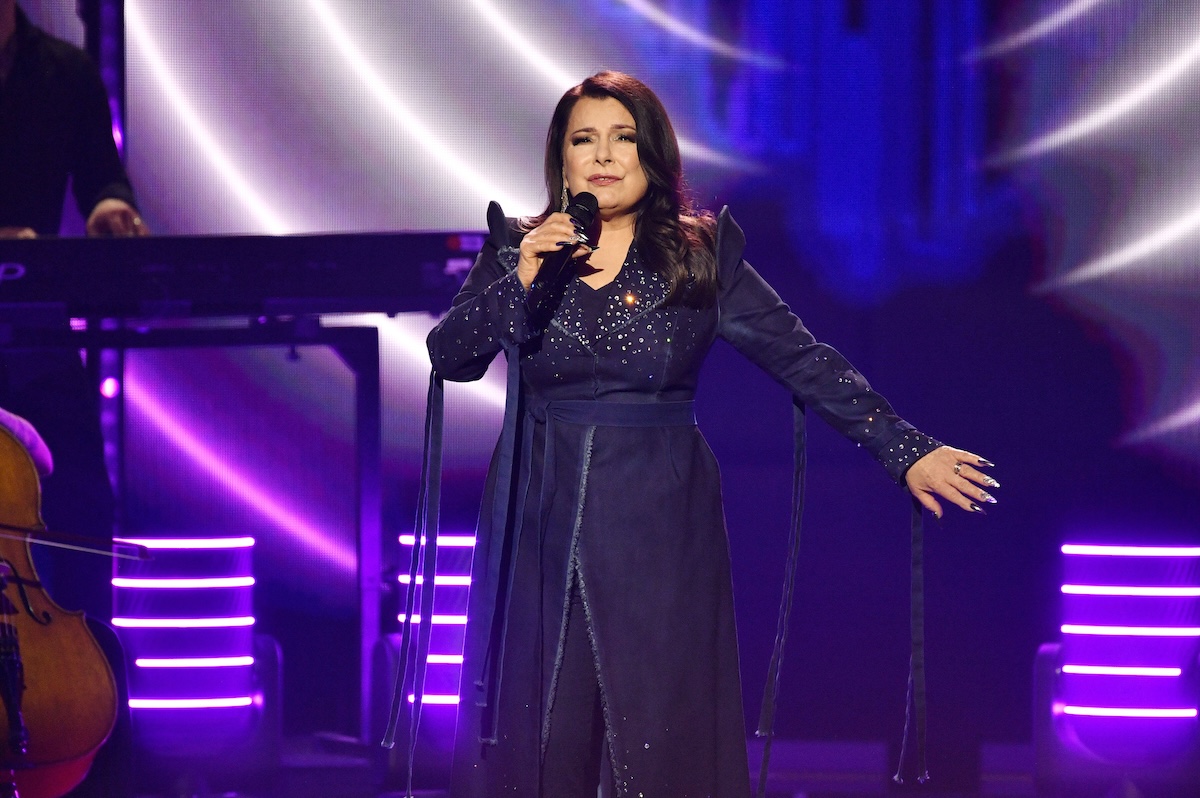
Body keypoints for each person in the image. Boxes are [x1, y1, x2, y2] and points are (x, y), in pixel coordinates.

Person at [426, 71, 999, 797]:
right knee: (541, 740)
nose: (603, 155)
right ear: (561, 159)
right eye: (584, 140)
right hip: (540, 525)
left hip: (660, 526)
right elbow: (451, 358)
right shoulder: (518, 248)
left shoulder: (700, 253)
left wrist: (903, 447)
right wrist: (523, 278)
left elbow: (801, 355)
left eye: (623, 138)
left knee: (661, 737)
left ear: (654, 154)